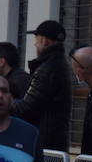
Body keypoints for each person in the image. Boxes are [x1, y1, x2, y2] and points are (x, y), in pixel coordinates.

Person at [11, 20, 71, 151]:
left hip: (44, 143)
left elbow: (27, 107)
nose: (34, 43)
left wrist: (5, 102)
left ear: (44, 41)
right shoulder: (59, 64)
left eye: (36, 39)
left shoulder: (46, 69)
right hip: (53, 140)